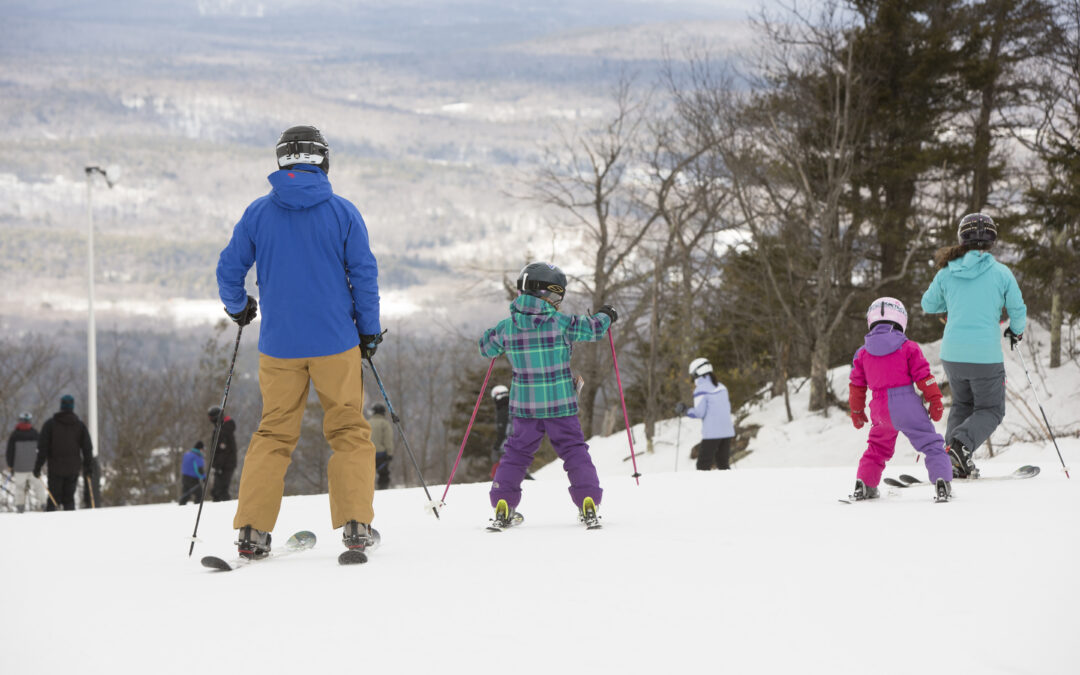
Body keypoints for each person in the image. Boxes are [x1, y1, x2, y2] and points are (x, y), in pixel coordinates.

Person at [216, 124, 382, 559]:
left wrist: (239, 307)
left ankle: (252, 531)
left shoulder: (258, 213)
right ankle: (356, 525)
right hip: (336, 342)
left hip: (279, 346)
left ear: (280, 161)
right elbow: (363, 276)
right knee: (348, 430)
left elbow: (229, 269)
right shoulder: (343, 213)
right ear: (323, 160)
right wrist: (368, 331)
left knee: (273, 434)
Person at [478, 261, 615, 528]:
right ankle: (588, 500)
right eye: (556, 296)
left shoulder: (508, 327)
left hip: (524, 408)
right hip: (561, 405)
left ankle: (503, 503)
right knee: (574, 451)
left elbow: (486, 348)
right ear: (545, 293)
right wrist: (607, 314)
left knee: (516, 454)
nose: (557, 302)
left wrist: (490, 335)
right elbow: (595, 328)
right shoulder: (562, 323)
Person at [921, 213, 1027, 479]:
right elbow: (1017, 308)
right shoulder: (1001, 273)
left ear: (962, 238)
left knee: (962, 405)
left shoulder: (947, 272)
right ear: (991, 240)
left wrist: (950, 306)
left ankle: (950, 460)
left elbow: (927, 304)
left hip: (953, 355)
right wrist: (1016, 331)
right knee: (991, 409)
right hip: (985, 356)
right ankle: (961, 446)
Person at [848, 298, 952, 501]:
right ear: (901, 320)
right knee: (930, 444)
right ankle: (942, 481)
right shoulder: (908, 347)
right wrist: (935, 400)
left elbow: (857, 386)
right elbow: (924, 377)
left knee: (877, 448)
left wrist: (857, 411)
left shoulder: (862, 353)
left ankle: (864, 484)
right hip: (907, 405)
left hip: (880, 409)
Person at [34, 395, 93, 511]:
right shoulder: (80, 426)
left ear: (61, 406)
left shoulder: (50, 425)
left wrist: (37, 466)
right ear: (72, 407)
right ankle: (69, 525)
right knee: (69, 499)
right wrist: (88, 467)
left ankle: (51, 523)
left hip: (55, 468)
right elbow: (87, 448)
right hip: (73, 468)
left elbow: (42, 448)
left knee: (53, 498)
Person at [675, 358, 735, 470]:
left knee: (702, 466)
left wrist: (685, 410)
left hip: (712, 433)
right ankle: (729, 486)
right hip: (727, 431)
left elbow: (699, 413)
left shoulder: (700, 390)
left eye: (692, 375)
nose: (692, 378)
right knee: (723, 464)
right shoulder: (721, 387)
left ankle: (704, 487)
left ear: (697, 373)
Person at [6, 412, 45, 512]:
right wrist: (40, 464)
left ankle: (20, 507)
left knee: (20, 489)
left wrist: (10, 465)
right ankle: (42, 505)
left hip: (19, 468)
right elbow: (41, 450)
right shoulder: (35, 433)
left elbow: (10, 452)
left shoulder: (14, 435)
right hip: (33, 467)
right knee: (39, 487)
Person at [206, 405, 237, 501]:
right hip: (223, 465)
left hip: (225, 465)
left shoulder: (223, 430)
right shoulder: (220, 428)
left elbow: (223, 450)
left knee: (221, 491)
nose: (209, 420)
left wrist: (217, 466)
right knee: (216, 492)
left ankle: (224, 511)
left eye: (210, 417)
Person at [369, 404, 393, 490]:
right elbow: (388, 439)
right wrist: (389, 453)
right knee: (384, 475)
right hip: (381, 454)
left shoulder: (368, 422)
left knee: (368, 475)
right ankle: (382, 492)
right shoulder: (385, 423)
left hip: (368, 453)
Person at [488, 385, 510, 478]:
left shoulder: (503, 411)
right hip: (519, 441)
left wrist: (496, 448)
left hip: (508, 444)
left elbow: (503, 432)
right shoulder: (513, 406)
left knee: (500, 468)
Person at [179, 441, 206, 505]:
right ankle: (197, 509)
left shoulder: (187, 454)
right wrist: (204, 477)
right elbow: (199, 469)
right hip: (192, 479)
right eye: (203, 449)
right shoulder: (197, 456)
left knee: (186, 495)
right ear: (200, 448)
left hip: (184, 477)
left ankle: (180, 509)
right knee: (199, 494)